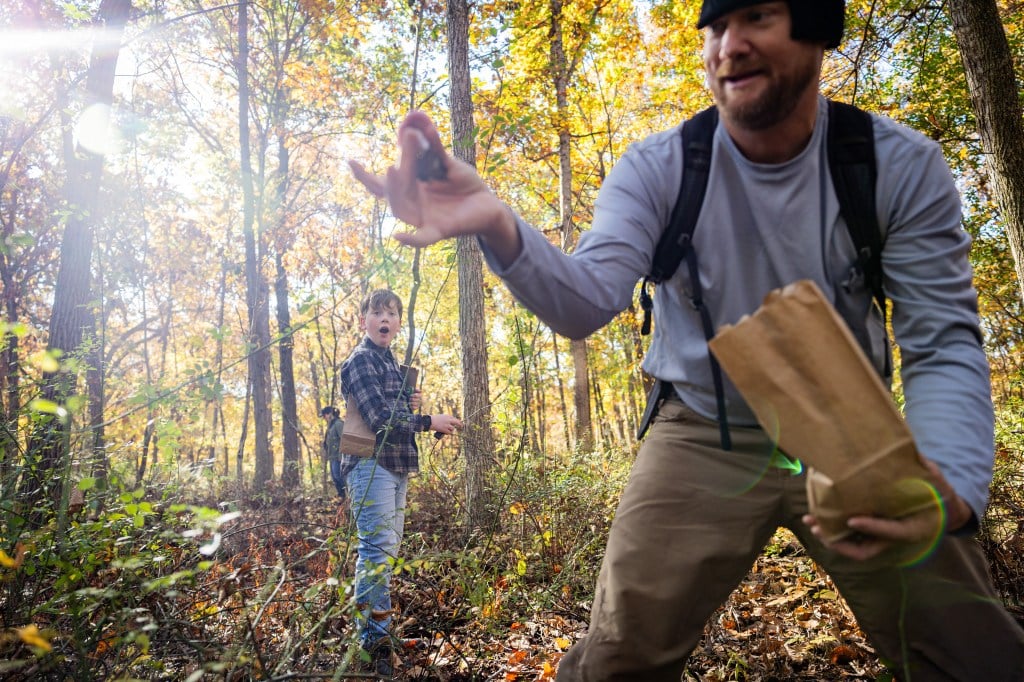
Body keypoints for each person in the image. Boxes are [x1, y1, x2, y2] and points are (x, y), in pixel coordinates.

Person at [349, 2, 1024, 680]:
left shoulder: (894, 166)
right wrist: (497, 222)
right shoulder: (659, 168)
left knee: (971, 652)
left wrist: (952, 480)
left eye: (757, 17)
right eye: (715, 27)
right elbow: (586, 301)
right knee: (618, 656)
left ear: (819, 29)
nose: (729, 45)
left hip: (850, 430)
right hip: (702, 426)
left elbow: (941, 342)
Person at [338, 288, 463, 675]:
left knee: (386, 554)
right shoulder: (359, 361)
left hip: (395, 466)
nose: (384, 318)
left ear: (397, 323)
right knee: (374, 554)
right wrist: (428, 422)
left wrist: (412, 404)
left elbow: (394, 414)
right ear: (364, 321)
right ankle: (371, 645)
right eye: (377, 312)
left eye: (391, 312)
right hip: (369, 465)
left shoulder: (393, 364)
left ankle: (381, 633)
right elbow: (379, 420)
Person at [321, 406, 346, 497]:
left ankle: (347, 498)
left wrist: (341, 457)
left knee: (339, 477)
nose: (324, 418)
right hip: (332, 457)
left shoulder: (338, 424)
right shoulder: (330, 427)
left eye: (324, 415)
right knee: (335, 478)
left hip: (339, 457)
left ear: (329, 414)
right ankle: (342, 498)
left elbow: (344, 439)